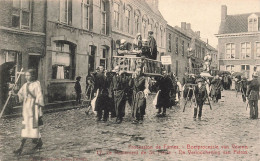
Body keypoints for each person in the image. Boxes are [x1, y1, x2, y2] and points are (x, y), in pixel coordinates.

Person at [12, 69, 44, 155]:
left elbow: (39, 97)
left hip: (34, 108)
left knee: (28, 127)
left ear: (33, 76)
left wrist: (39, 111)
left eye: (28, 75)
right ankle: (39, 142)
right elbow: (20, 96)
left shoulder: (36, 85)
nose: (26, 77)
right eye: (25, 75)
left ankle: (20, 147)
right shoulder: (25, 85)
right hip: (26, 108)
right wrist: (14, 93)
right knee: (31, 126)